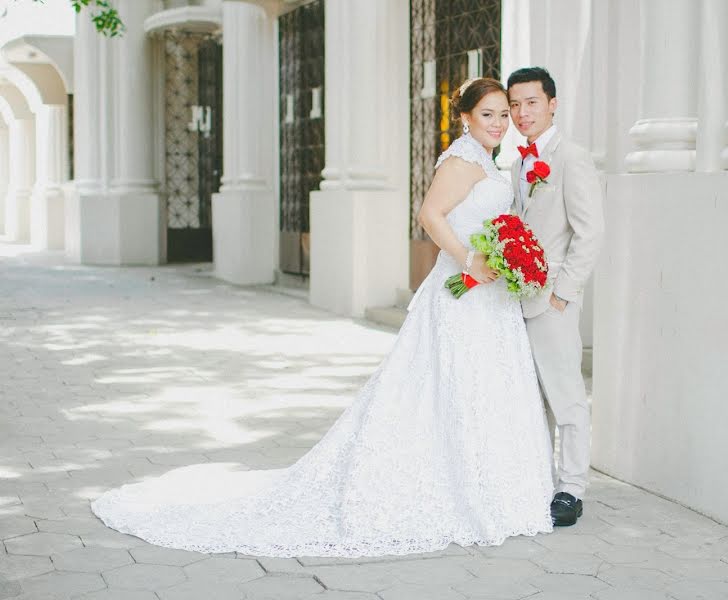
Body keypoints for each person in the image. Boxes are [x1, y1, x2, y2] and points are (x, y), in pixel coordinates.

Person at [90, 78, 555, 558]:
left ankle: (493, 483)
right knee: (452, 385)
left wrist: (505, 254)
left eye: (504, 115)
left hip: (489, 299)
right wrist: (469, 261)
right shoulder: (461, 160)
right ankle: (458, 487)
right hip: (463, 290)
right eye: (489, 115)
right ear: (465, 117)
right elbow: (430, 216)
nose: (499, 123)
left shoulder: (490, 161)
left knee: (483, 385)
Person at [507, 67, 604, 527]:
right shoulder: (516, 163)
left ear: (552, 104)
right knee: (532, 399)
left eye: (531, 102)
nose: (522, 113)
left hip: (553, 301)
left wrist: (564, 295)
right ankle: (538, 481)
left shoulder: (572, 158)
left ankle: (572, 489)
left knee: (566, 398)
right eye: (514, 105)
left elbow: (590, 233)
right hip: (518, 300)